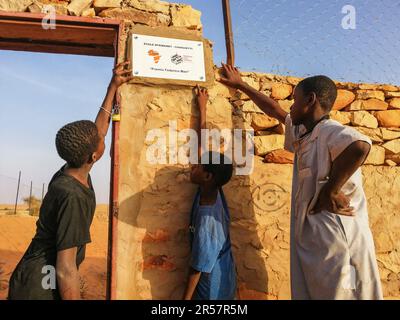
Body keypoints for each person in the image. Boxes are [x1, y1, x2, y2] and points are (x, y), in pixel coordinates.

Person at [219, 64, 383, 300]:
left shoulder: (329, 130)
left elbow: (360, 145)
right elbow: (275, 110)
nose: (291, 106)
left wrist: (330, 190)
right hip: (317, 240)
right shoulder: (304, 132)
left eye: (295, 100)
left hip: (338, 239)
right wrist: (242, 85)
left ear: (310, 100)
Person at [8, 61, 133, 300]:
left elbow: (99, 129)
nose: (102, 135)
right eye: (98, 140)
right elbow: (66, 269)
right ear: (93, 157)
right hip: (39, 287)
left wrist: (113, 86)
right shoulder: (72, 195)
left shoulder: (72, 168)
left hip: (35, 277)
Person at [183, 86, 237, 300]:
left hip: (212, 292)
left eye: (197, 166)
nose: (192, 166)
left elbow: (197, 268)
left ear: (207, 176)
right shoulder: (212, 188)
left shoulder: (208, 219)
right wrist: (202, 108)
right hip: (223, 279)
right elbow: (202, 147)